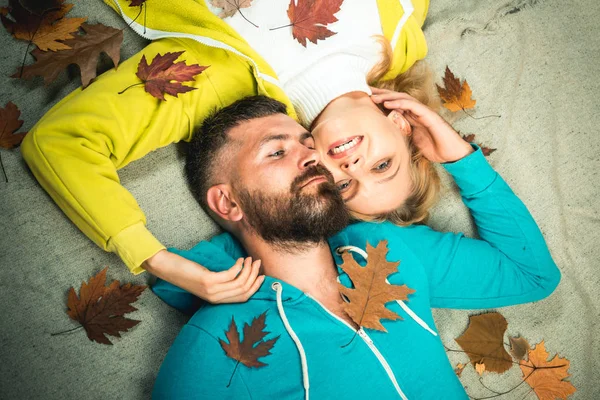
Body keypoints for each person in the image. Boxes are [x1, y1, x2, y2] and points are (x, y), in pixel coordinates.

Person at [20, 0, 446, 303]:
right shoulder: (403, 25)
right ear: (401, 124)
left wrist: (158, 260)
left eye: (346, 185)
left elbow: (63, 143)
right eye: (383, 166)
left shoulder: (214, 82)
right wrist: (458, 153)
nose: (353, 165)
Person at [150, 95, 560, 399]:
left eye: (309, 144)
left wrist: (458, 157)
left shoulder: (386, 249)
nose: (311, 157)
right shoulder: (217, 337)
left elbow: (530, 275)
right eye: (277, 151)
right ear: (228, 202)